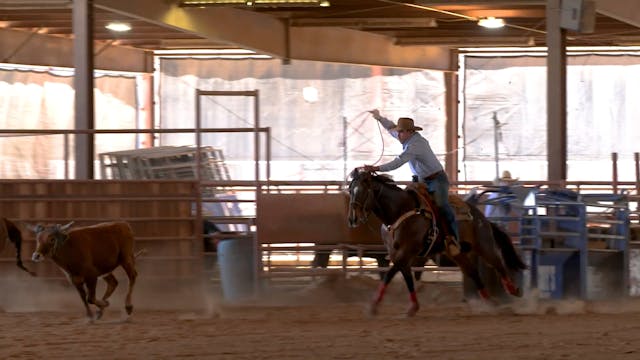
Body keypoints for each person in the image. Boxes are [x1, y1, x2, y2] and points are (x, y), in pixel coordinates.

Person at [363, 109, 466, 255]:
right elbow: (391, 127)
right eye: (398, 132)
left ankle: (453, 239)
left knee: (442, 205)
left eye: (401, 132)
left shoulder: (416, 144)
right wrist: (379, 117)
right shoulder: (405, 137)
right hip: (422, 180)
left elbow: (398, 162)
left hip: (437, 179)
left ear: (409, 132)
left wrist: (376, 168)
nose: (398, 135)